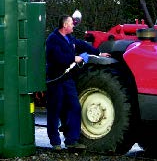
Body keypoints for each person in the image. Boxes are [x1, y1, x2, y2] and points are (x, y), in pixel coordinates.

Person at [45, 14, 110, 151]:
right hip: (56, 80)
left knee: (74, 107)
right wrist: (74, 58)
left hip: (68, 79)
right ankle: (55, 142)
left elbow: (81, 45)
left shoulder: (69, 38)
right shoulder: (53, 39)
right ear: (65, 25)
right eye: (71, 23)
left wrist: (98, 53)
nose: (73, 25)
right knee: (54, 110)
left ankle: (71, 140)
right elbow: (58, 58)